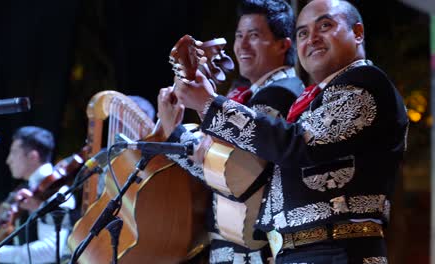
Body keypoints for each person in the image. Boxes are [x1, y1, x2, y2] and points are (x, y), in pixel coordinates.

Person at [172, 0, 409, 263]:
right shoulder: (311, 101)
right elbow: (260, 164)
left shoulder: (366, 82)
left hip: (341, 250)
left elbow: (297, 144)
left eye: (325, 26)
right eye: (303, 33)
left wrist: (210, 104)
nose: (313, 39)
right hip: (300, 251)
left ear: (357, 33)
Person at [158, 0, 304, 263]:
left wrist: (175, 133)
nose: (242, 46)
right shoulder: (252, 94)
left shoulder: (280, 93)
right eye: (239, 36)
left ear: (283, 44)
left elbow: (229, 172)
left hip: (255, 250)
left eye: (254, 36)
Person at [0, 126, 76, 263]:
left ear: (33, 156)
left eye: (14, 152)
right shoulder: (27, 189)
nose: (8, 160)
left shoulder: (58, 194)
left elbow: (52, 250)